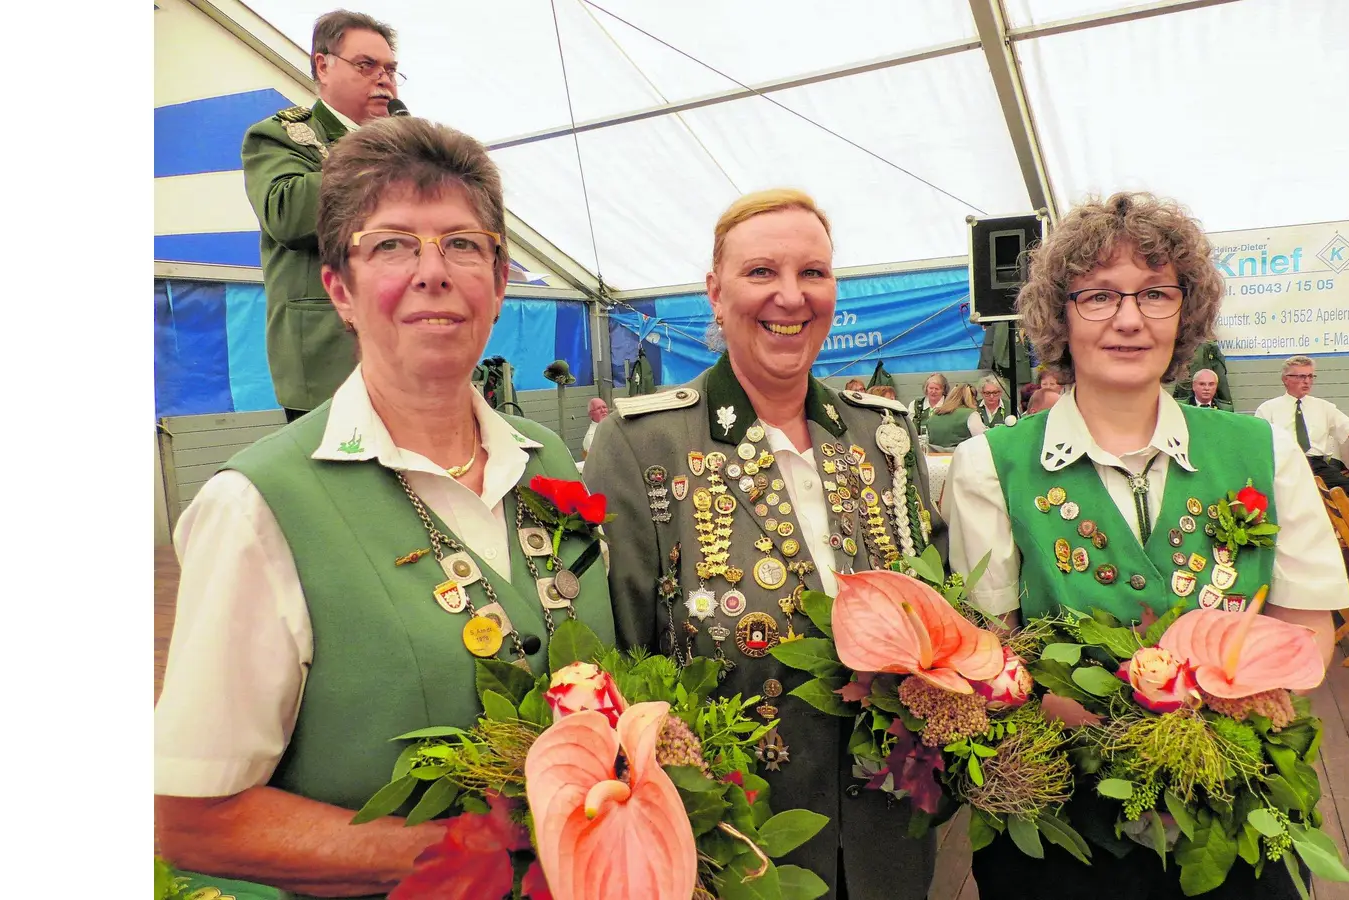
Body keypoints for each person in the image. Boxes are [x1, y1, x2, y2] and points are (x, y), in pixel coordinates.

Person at [156, 116, 618, 899]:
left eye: (463, 245)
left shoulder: (547, 457)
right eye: (393, 244)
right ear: (340, 288)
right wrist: (455, 852)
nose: (433, 272)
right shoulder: (256, 505)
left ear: (500, 283)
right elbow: (188, 818)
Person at [944, 192, 1349, 900]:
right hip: (1065, 829)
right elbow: (990, 650)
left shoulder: (1263, 450)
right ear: (1060, 315)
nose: (1129, 319)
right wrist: (1112, 726)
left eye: (1155, 293)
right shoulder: (992, 465)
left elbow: (1307, 629)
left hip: (1233, 817)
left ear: (1183, 312)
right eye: (1098, 296)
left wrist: (1217, 714)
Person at [585, 188, 945, 900]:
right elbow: (619, 660)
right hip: (733, 846)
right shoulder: (641, 444)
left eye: (813, 273)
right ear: (715, 295)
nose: (791, 296)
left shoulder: (884, 434)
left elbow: (939, 611)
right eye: (761, 274)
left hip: (892, 836)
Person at [244, 9, 402, 421]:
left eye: (390, 68)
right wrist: (377, 157)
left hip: (404, 351)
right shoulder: (283, 135)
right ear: (323, 64)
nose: (384, 78)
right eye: (367, 65)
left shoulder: (405, 144)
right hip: (328, 360)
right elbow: (287, 213)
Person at [1255, 355, 1349, 495]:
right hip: (1284, 465)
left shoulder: (1324, 407)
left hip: (1316, 465)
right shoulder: (1267, 409)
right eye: (1300, 377)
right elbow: (1258, 444)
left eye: (1310, 376)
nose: (1307, 381)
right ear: (1285, 379)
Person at [924, 382, 980, 451]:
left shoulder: (934, 415)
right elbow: (982, 440)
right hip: (961, 458)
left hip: (934, 459)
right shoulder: (971, 414)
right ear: (973, 398)